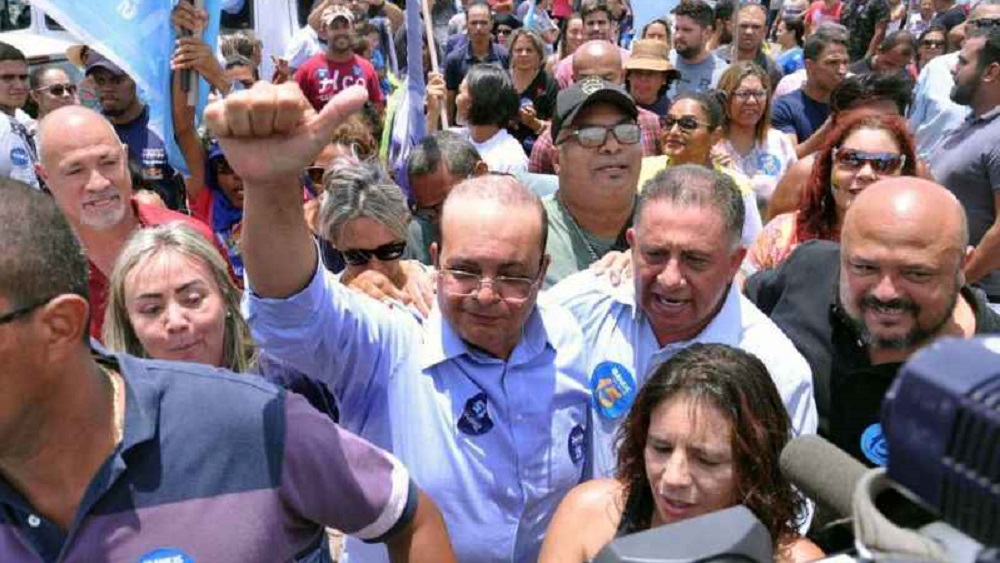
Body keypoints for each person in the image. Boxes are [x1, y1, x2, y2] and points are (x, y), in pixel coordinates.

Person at [210, 81, 593, 562]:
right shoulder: (390, 343)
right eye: (466, 271)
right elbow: (289, 310)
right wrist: (270, 186)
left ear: (542, 271)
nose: (488, 295)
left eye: (514, 276)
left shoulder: (573, 334)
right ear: (436, 256)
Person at [0, 179, 455, 561]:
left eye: (192, 298)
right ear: (127, 322)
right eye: (151, 307)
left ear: (227, 299)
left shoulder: (276, 400)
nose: (176, 321)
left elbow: (405, 513)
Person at [545, 165, 817, 479]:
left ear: (734, 263)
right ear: (632, 245)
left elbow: (785, 507)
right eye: (655, 254)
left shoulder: (777, 370)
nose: (670, 278)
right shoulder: (580, 307)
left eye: (695, 259)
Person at [745, 177, 1000, 465]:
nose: (886, 292)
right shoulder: (806, 271)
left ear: (962, 267)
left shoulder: (990, 376)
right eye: (865, 267)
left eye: (916, 273)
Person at [540, 344, 823, 563]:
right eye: (661, 448)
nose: (674, 478)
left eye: (706, 460)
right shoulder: (589, 514)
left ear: (754, 466)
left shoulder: (796, 559)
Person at [34, 105, 221, 341]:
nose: (98, 183)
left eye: (108, 162)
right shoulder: (34, 272)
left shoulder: (192, 238)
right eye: (75, 170)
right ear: (44, 177)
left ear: (124, 156)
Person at [749, 111, 915, 273]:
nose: (865, 174)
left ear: (903, 172)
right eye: (851, 159)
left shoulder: (919, 246)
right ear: (830, 166)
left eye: (883, 163)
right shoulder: (782, 234)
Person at [767, 73, 913, 220]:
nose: (876, 129)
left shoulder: (915, 172)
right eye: (852, 160)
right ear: (838, 121)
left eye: (884, 164)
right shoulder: (806, 174)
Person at [543, 77, 643, 287]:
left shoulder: (671, 227)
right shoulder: (530, 231)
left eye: (626, 132)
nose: (612, 146)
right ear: (557, 160)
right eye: (591, 135)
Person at [638, 93, 764, 247]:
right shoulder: (640, 171)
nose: (673, 131)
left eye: (688, 124)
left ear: (715, 136)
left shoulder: (738, 187)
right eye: (668, 122)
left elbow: (752, 248)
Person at [930, 26, 1000, 303]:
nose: (953, 69)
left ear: (990, 72)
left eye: (962, 61)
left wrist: (955, 286)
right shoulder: (972, 123)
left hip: (981, 299)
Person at [530, 40, 663, 174]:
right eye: (587, 81)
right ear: (574, 80)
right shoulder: (550, 141)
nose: (598, 87)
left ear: (623, 76)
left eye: (607, 79)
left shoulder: (651, 124)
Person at [86, 51, 187, 210]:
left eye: (116, 80)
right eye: (100, 81)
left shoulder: (162, 126)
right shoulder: (89, 132)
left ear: (135, 79)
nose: (106, 89)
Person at [908, 3, 1000, 161]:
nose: (995, 31)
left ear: (992, 72)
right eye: (989, 24)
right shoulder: (936, 68)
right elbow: (912, 127)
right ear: (966, 28)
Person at [715, 61, 798, 208]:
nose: (752, 101)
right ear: (725, 98)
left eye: (759, 94)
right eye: (743, 94)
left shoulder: (778, 142)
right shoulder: (713, 145)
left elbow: (794, 195)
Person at [406, 131, 487, 265]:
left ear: (481, 173)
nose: (442, 220)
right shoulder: (416, 240)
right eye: (429, 212)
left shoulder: (524, 217)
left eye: (449, 203)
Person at [771, 23, 849, 157]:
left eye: (845, 63)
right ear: (809, 65)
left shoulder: (850, 105)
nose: (842, 70)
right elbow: (788, 158)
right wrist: (829, 128)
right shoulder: (785, 108)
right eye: (832, 63)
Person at [295, 7, 385, 113]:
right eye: (335, 27)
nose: (341, 32)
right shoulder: (307, 70)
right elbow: (296, 110)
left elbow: (378, 107)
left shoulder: (367, 68)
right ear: (323, 32)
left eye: (345, 26)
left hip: (360, 129)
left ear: (353, 30)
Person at [446, 63, 528, 173]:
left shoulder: (510, 157)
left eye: (461, 92)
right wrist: (433, 114)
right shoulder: (452, 139)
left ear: (477, 101)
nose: (457, 98)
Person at [444, 1, 509, 122]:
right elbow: (450, 101)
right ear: (466, 25)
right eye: (474, 23)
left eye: (483, 23)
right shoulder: (454, 60)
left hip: (496, 126)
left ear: (491, 24)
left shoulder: (504, 56)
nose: (478, 28)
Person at [554, 0, 631, 88]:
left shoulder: (628, 60)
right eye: (590, 23)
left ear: (611, 25)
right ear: (583, 27)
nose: (596, 28)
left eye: (601, 23)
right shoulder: (566, 66)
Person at [508, 29, 559, 153]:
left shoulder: (549, 84)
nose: (523, 54)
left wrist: (533, 122)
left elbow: (557, 127)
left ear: (539, 54)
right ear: (511, 53)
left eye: (529, 50)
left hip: (536, 151)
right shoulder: (501, 80)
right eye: (518, 50)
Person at [714, 3, 784, 89]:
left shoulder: (773, 71)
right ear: (732, 26)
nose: (749, 32)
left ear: (765, 31)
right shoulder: (714, 60)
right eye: (743, 26)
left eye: (756, 27)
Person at [669, 1, 728, 98]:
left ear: (707, 33)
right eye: (677, 29)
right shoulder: (664, 62)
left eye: (686, 30)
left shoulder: (722, 74)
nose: (678, 35)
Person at [0, 43, 39, 189]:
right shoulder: (4, 128)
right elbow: (28, 189)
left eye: (23, 77)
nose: (19, 85)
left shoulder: (18, 118)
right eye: (7, 78)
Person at [624, 39, 680, 116]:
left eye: (650, 73)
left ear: (664, 79)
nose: (643, 78)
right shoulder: (612, 104)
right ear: (628, 75)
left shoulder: (671, 114)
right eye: (638, 72)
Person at [848, 29, 917, 82]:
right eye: (889, 63)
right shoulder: (853, 76)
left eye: (902, 67)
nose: (892, 71)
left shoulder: (905, 79)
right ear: (878, 51)